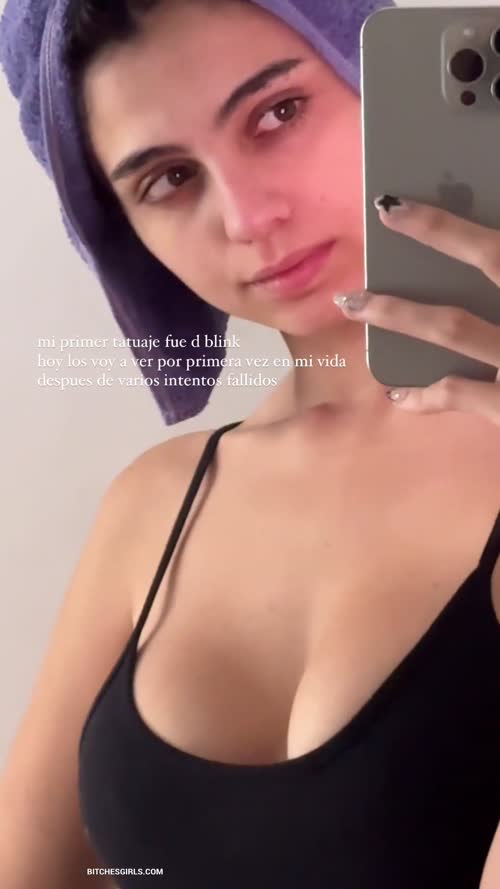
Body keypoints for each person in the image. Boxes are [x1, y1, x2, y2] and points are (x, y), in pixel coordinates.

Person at [0, 1, 499, 887]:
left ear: (375, 79)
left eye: (278, 113)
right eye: (169, 178)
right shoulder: (155, 502)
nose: (245, 217)